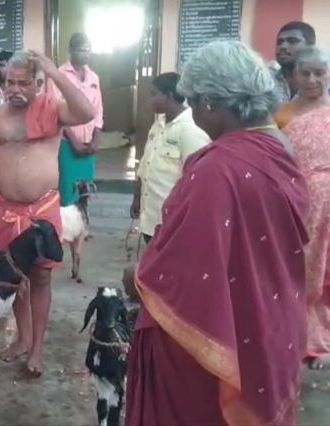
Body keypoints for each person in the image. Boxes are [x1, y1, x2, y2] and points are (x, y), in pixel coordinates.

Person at [124, 41, 308, 425]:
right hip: (270, 323)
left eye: (192, 103)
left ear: (209, 103)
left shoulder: (217, 168)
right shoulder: (280, 151)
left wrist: (138, 279)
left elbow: (185, 272)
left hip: (222, 342)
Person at [0, 50, 95, 376]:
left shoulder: (52, 109)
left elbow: (87, 111)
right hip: (4, 211)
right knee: (12, 277)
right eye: (10, 82)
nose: (15, 89)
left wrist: (54, 70)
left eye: (24, 83)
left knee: (41, 276)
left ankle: (36, 348)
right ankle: (22, 338)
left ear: (39, 83)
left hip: (42, 210)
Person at [280, 47, 330, 369]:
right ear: (294, 75)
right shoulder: (282, 114)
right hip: (297, 201)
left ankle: (323, 339)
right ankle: (298, 337)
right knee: (299, 269)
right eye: (305, 72)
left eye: (319, 72)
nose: (312, 79)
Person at [131, 72, 210, 242]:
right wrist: (137, 197)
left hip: (173, 221)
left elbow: (197, 179)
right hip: (151, 217)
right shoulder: (158, 124)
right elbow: (145, 164)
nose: (149, 100)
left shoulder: (191, 129)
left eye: (154, 95)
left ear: (168, 96)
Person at [50, 33, 104, 206]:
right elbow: (56, 110)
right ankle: (66, 231)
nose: (86, 54)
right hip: (67, 145)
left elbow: (98, 111)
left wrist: (96, 140)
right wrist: (74, 142)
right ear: (71, 50)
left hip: (88, 146)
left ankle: (82, 229)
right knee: (68, 191)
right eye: (82, 50)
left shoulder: (94, 77)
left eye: (89, 50)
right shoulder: (59, 75)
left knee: (85, 191)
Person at [271, 21, 316, 108]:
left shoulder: (323, 84)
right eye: (279, 42)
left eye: (292, 41)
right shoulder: (264, 81)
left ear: (311, 47)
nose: (283, 46)